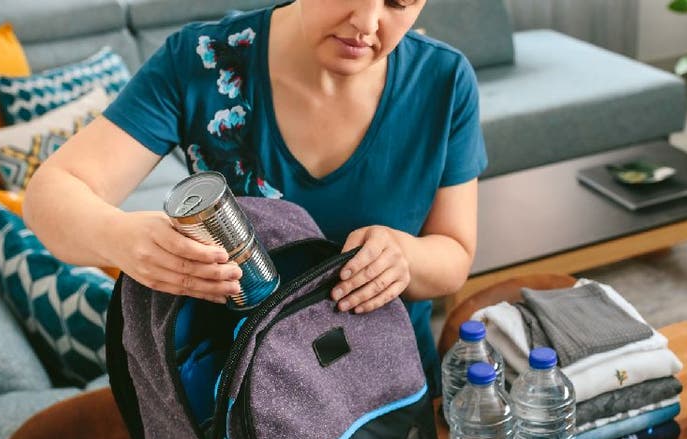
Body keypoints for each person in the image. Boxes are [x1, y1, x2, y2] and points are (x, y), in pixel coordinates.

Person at [26, 0, 486, 388]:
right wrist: (120, 237)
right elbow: (50, 194)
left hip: (390, 393)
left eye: (399, 1)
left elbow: (455, 254)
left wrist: (404, 257)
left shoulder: (444, 81)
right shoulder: (200, 61)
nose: (367, 23)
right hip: (241, 411)